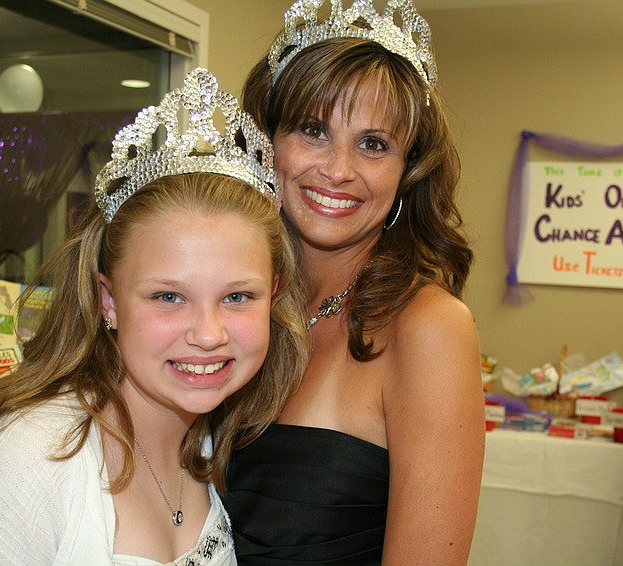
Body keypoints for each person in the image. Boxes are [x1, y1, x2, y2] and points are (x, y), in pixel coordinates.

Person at [0, 67, 308, 566]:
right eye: (167, 297)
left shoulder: (210, 440)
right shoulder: (27, 460)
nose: (208, 334)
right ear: (108, 301)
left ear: (274, 296)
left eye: (238, 297)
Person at [223, 0, 485, 564]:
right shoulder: (231, 306)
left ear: (406, 171)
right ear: (266, 143)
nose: (339, 170)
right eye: (314, 130)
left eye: (373, 144)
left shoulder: (428, 328)